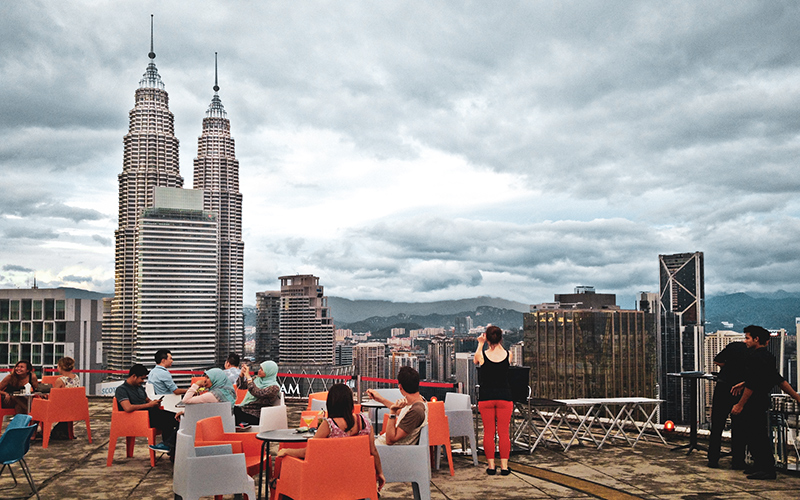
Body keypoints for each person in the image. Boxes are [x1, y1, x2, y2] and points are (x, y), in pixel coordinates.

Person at [277, 383, 385, 491]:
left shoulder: (329, 424)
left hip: (329, 481)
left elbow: (309, 452)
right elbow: (373, 451)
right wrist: (380, 473)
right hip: (358, 480)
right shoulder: (365, 421)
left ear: (331, 403)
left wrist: (287, 451)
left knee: (284, 475)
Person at [732, 325, 800, 480]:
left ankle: (767, 469)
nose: (746, 341)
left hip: (754, 402)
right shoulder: (768, 356)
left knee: (756, 435)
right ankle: (760, 466)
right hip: (762, 399)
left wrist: (740, 404)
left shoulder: (754, 357)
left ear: (756, 339)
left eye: (748, 338)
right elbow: (776, 379)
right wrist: (796, 396)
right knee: (756, 434)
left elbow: (753, 384)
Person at [114, 364, 179, 457]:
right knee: (174, 420)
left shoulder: (139, 387)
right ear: (134, 376)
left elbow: (147, 400)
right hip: (139, 418)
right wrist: (149, 405)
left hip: (150, 414)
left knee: (176, 420)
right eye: (141, 378)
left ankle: (169, 449)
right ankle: (168, 446)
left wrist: (155, 403)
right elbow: (127, 408)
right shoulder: (122, 390)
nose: (142, 381)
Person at [474, 325, 513, 476]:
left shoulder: (483, 355)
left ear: (487, 338)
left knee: (488, 432)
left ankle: (491, 466)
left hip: (486, 398)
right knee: (503, 433)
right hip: (504, 397)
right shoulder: (508, 355)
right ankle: (504, 467)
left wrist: (480, 343)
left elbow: (475, 361)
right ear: (501, 338)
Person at [707, 340, 748, 469]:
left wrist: (726, 367)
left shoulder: (732, 347)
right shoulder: (751, 351)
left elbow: (717, 360)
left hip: (723, 386)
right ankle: (738, 461)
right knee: (739, 427)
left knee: (717, 425)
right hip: (739, 389)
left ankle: (713, 459)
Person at [368, 366, 427, 446]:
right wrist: (380, 399)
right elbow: (403, 413)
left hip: (385, 450)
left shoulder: (416, 411)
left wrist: (392, 413)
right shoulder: (419, 401)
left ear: (400, 387)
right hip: (381, 446)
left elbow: (390, 440)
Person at [234, 360, 281, 425]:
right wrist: (242, 375)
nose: (259, 370)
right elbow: (241, 386)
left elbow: (257, 393)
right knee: (230, 409)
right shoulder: (257, 379)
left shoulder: (274, 388)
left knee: (234, 412)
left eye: (262, 369)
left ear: (269, 372)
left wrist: (248, 377)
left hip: (257, 415)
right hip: (245, 410)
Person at [51, 356, 82, 439]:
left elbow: (54, 396)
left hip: (63, 408)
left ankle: (37, 432)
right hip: (74, 407)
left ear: (60, 367)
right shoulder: (76, 377)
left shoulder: (60, 380)